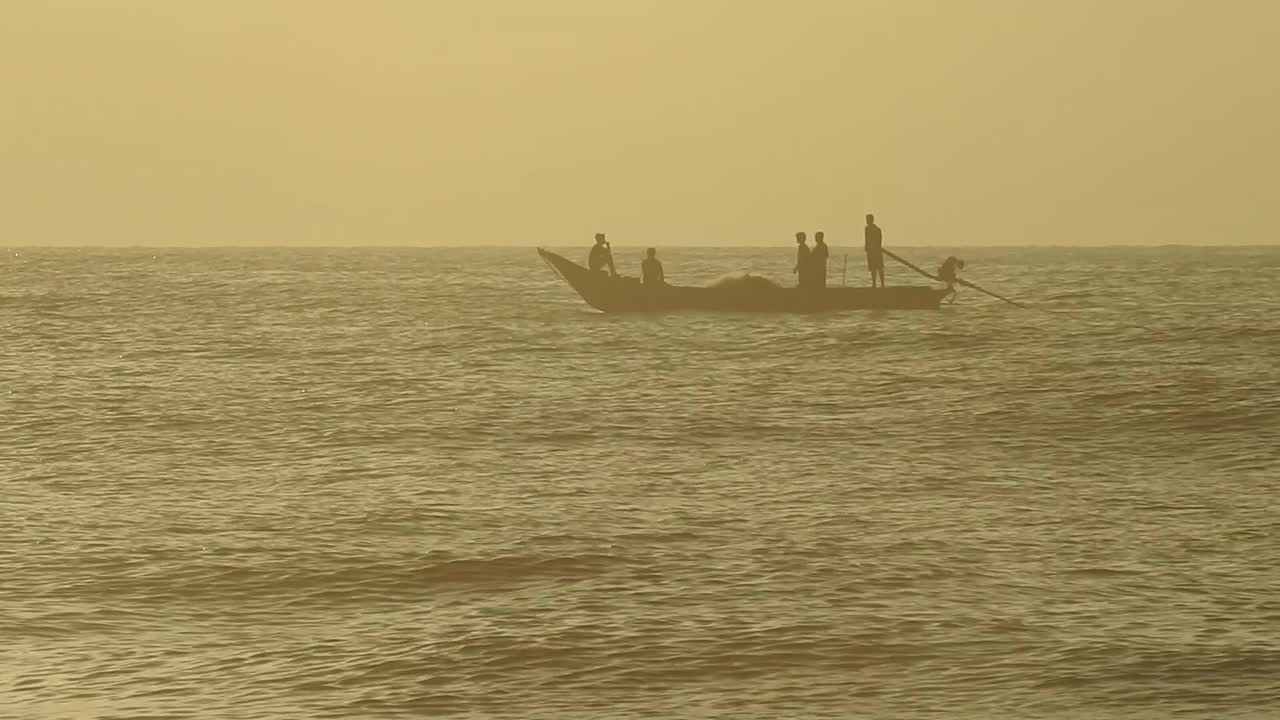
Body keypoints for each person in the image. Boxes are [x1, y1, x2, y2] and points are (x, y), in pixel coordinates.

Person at [864, 214, 885, 288]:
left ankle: (878, 284)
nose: (866, 221)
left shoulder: (871, 229)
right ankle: (877, 284)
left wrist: (867, 247)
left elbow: (869, 240)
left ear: (871, 220)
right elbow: (868, 240)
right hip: (874, 251)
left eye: (867, 219)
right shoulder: (875, 229)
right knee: (875, 268)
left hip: (874, 251)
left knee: (877, 268)